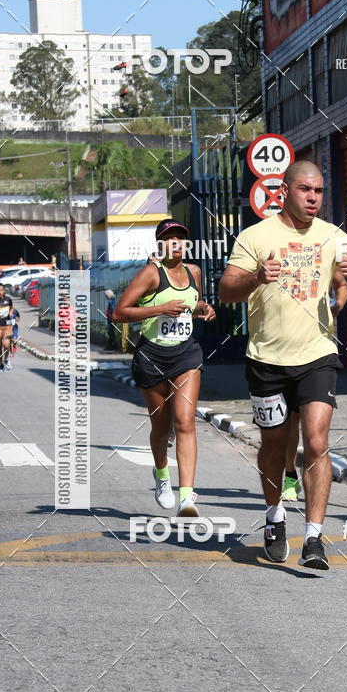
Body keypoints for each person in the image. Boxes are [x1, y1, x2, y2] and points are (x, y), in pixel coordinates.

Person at [219, 160, 347, 570]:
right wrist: (256, 278)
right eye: (306, 189)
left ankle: (313, 538)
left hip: (317, 356)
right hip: (266, 360)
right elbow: (226, 291)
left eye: (319, 191)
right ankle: (274, 515)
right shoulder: (256, 236)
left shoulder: (333, 236)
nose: (313, 198)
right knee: (274, 445)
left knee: (317, 442)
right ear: (285, 191)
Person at [113, 218, 216, 517]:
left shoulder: (194, 272)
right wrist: (159, 308)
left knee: (185, 421)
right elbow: (119, 313)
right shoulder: (151, 273)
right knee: (161, 426)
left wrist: (204, 309)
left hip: (186, 355)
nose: (176, 243)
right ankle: (161, 476)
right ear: (160, 244)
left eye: (180, 238)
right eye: (170, 239)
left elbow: (193, 305)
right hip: (152, 357)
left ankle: (187, 497)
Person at [282, 276, 347, 501]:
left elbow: (342, 284)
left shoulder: (324, 259)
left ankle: (312, 472)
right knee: (291, 422)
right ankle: (290, 473)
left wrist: (338, 305)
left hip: (319, 356)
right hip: (282, 355)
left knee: (315, 437)